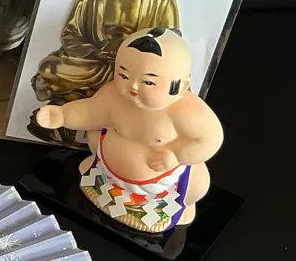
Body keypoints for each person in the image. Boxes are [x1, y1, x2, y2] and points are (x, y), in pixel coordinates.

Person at [35, 27, 222, 232]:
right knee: (95, 134)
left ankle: (183, 204)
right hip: (106, 169)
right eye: (124, 75)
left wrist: (177, 155)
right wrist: (62, 115)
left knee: (198, 181)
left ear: (180, 85)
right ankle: (101, 174)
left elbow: (209, 140)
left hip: (163, 182)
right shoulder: (113, 96)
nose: (133, 86)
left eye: (148, 82)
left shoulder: (185, 112)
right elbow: (90, 112)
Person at [31, 0, 180, 139]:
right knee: (50, 67)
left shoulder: (163, 2)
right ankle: (68, 116)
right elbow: (70, 35)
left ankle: (79, 111)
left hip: (134, 72)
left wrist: (130, 56)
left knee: (150, 86)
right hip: (93, 62)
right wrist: (97, 51)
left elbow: (172, 46)